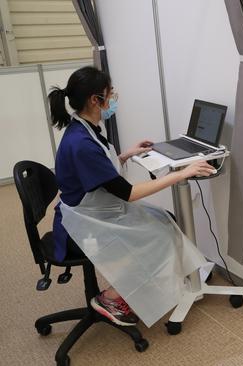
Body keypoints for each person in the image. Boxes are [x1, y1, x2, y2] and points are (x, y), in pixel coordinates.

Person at [48, 66, 214, 327]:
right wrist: (181, 174)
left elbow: (100, 169)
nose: (113, 98)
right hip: (80, 229)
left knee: (163, 218)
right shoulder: (81, 143)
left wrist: (126, 155)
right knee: (156, 236)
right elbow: (128, 193)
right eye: (109, 93)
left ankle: (185, 277)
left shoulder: (85, 129)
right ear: (95, 100)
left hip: (95, 211)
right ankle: (111, 298)